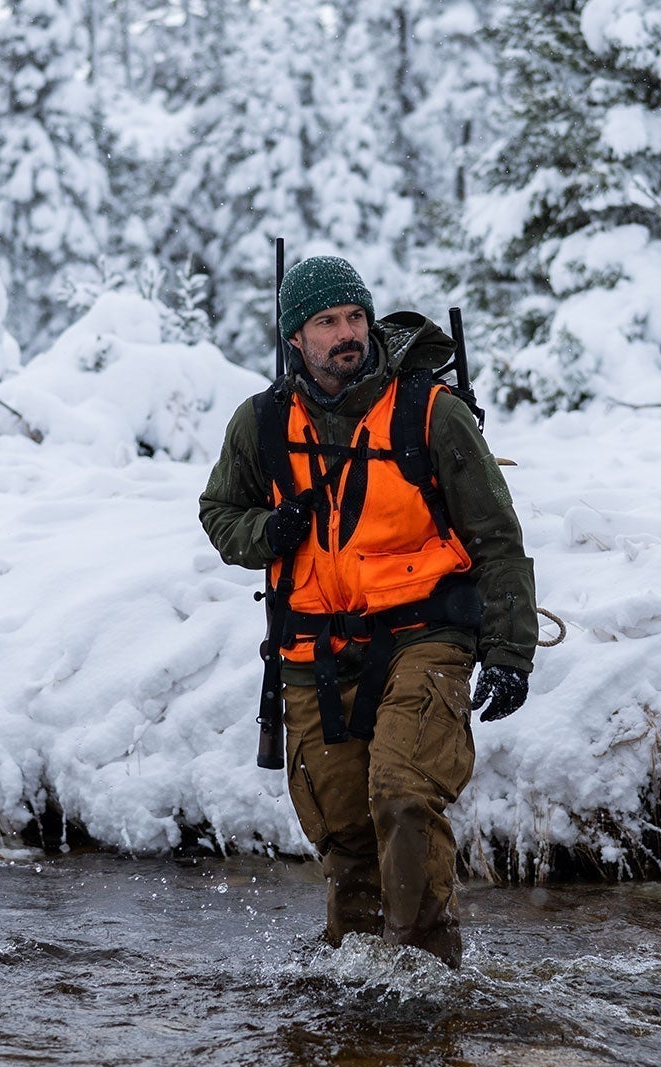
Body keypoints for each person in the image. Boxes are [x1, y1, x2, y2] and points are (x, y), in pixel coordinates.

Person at [198, 256, 536, 968]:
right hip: (313, 652)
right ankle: (356, 985)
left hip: (426, 635)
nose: (347, 333)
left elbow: (497, 538)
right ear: (296, 338)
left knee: (404, 792)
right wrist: (268, 533)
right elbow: (220, 514)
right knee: (344, 832)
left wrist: (508, 652)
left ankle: (424, 973)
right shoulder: (259, 425)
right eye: (327, 322)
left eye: (355, 317)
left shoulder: (429, 412)